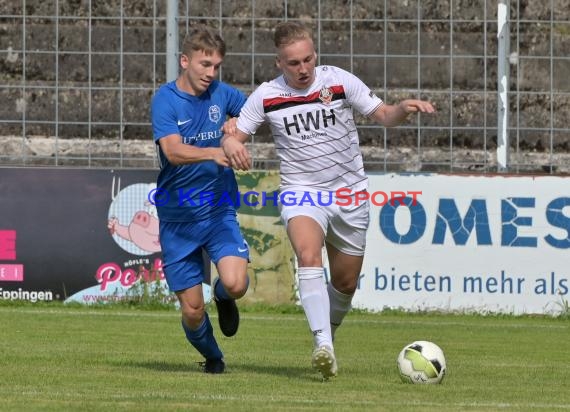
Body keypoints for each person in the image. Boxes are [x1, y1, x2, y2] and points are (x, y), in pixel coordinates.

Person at [221, 21, 435, 379]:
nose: (303, 69)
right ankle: (322, 342)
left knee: (346, 283)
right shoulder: (266, 95)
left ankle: (328, 340)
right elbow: (236, 136)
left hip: (350, 193)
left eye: (307, 60)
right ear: (279, 63)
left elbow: (382, 115)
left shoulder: (337, 80)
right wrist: (231, 144)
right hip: (302, 192)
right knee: (307, 254)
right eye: (293, 63)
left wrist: (402, 108)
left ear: (315, 55)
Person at [150, 26, 250, 374]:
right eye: (205, 64)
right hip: (177, 217)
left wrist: (236, 127)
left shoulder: (222, 94)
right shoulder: (165, 100)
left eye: (216, 66)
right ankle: (213, 356)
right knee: (192, 311)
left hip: (218, 208)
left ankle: (222, 296)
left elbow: (255, 111)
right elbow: (173, 151)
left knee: (236, 283)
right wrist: (216, 151)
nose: (211, 73)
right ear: (185, 61)